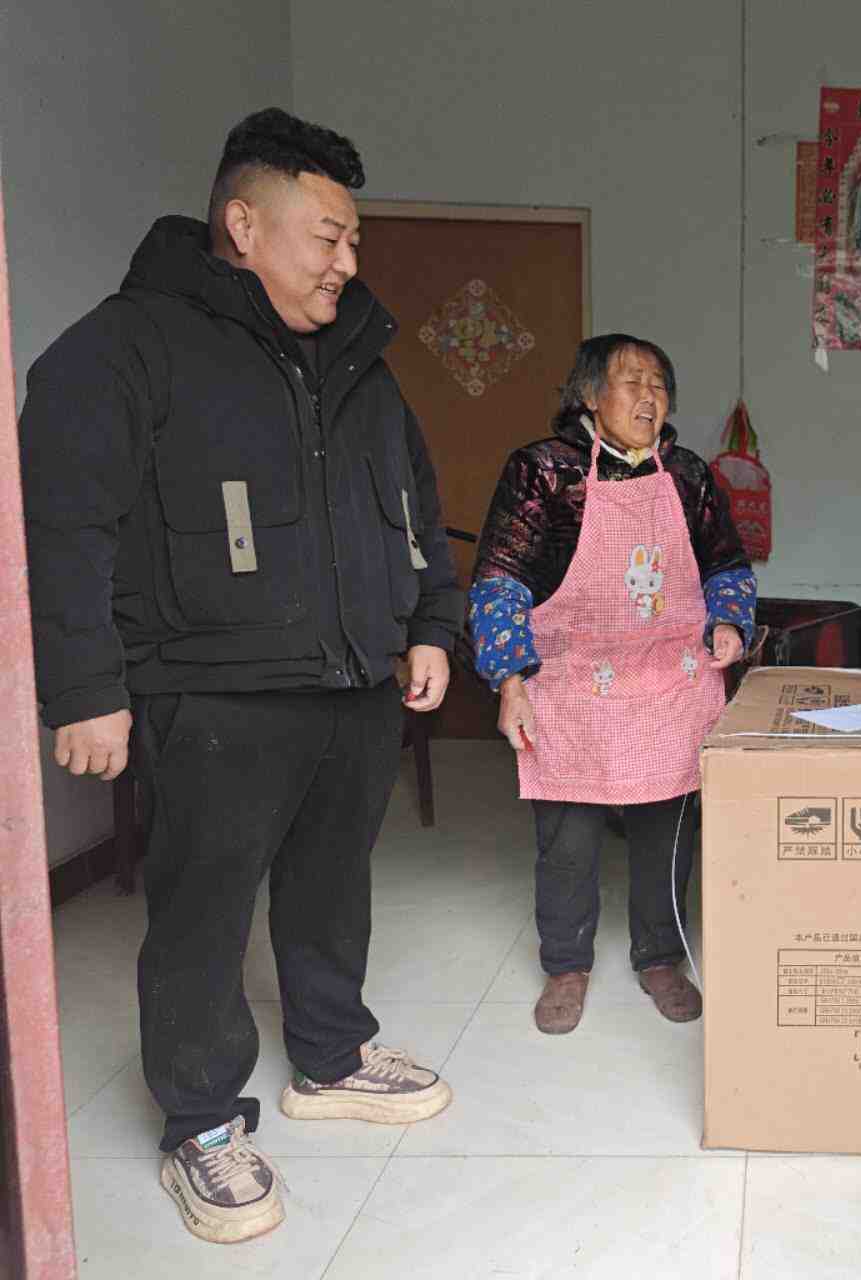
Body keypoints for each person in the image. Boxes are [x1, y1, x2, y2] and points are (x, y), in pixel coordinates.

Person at [19, 108, 459, 1244]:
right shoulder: (127, 346)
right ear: (244, 222)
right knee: (204, 912)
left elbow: (413, 499)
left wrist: (429, 624)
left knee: (332, 884)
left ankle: (331, 1054)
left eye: (353, 241)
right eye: (328, 237)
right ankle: (202, 1120)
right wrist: (84, 688)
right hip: (210, 689)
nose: (346, 262)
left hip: (353, 679)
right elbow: (63, 525)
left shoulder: (356, 358)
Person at [468, 334, 755, 1037]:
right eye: (631, 381)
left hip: (670, 683)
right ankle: (566, 966)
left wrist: (729, 621)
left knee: (668, 833)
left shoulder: (687, 474)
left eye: (659, 383)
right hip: (572, 685)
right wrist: (509, 677)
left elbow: (727, 565)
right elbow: (501, 577)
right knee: (568, 841)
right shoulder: (543, 470)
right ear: (590, 396)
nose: (649, 396)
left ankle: (661, 958)